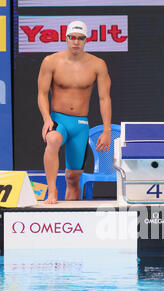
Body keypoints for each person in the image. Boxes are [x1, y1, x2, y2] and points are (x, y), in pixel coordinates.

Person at [37, 20, 112, 204]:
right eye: (72, 37)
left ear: (86, 40)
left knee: (73, 178)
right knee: (52, 139)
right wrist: (47, 118)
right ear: (66, 37)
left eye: (80, 38)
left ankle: (72, 217)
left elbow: (104, 98)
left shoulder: (97, 65)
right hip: (58, 120)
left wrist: (107, 130)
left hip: (80, 125)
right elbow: (42, 93)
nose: (76, 42)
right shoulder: (51, 61)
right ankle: (52, 190)